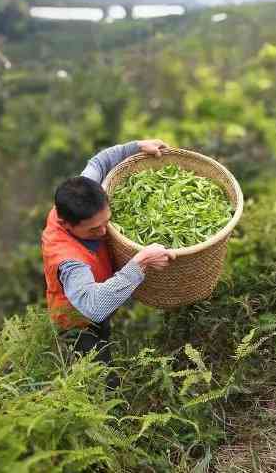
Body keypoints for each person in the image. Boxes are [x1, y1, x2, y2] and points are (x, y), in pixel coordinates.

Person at [41, 139, 176, 389]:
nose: (104, 232)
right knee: (98, 380)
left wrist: (137, 146)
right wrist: (139, 263)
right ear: (66, 224)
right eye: (94, 229)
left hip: (99, 299)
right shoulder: (69, 260)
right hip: (76, 322)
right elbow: (92, 306)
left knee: (104, 335)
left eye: (107, 222)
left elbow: (99, 161)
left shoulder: (82, 195)